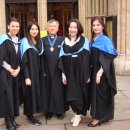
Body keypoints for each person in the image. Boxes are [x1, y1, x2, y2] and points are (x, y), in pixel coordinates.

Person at [58, 18, 91, 126]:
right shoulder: (64, 42)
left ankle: (78, 114)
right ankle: (76, 112)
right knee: (70, 92)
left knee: (78, 93)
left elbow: (87, 59)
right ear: (68, 28)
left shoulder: (84, 41)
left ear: (78, 29)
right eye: (71, 27)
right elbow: (61, 59)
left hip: (79, 70)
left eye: (75, 27)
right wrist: (63, 74)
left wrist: (86, 74)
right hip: (68, 70)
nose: (72, 29)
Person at [88, 16, 118, 127]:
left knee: (100, 95)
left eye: (98, 25)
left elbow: (107, 59)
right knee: (96, 94)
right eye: (94, 25)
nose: (95, 27)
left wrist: (99, 74)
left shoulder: (105, 40)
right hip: (94, 70)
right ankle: (99, 115)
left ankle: (98, 118)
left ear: (103, 26)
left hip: (102, 73)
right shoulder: (94, 39)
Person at [41, 19, 66, 120]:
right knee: (47, 90)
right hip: (47, 69)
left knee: (58, 90)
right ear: (47, 28)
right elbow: (40, 56)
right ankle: (49, 111)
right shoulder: (42, 40)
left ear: (57, 28)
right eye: (50, 26)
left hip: (58, 69)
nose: (52, 28)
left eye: (54, 26)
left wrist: (64, 72)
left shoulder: (62, 40)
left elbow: (65, 56)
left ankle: (60, 111)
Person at [20, 20, 43, 126]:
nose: (34, 31)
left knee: (35, 93)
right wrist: (26, 77)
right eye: (32, 29)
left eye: (36, 29)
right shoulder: (25, 42)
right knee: (29, 94)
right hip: (29, 73)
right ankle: (30, 116)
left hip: (37, 72)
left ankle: (33, 112)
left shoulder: (38, 41)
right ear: (28, 30)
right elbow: (23, 61)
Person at [0, 17, 20, 130]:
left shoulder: (18, 40)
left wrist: (18, 69)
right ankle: (8, 122)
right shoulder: (3, 39)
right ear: (8, 26)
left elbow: (20, 57)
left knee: (13, 95)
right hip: (4, 72)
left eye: (17, 26)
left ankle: (12, 119)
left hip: (15, 73)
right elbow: (1, 58)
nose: (15, 28)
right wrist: (10, 69)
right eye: (13, 26)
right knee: (7, 96)